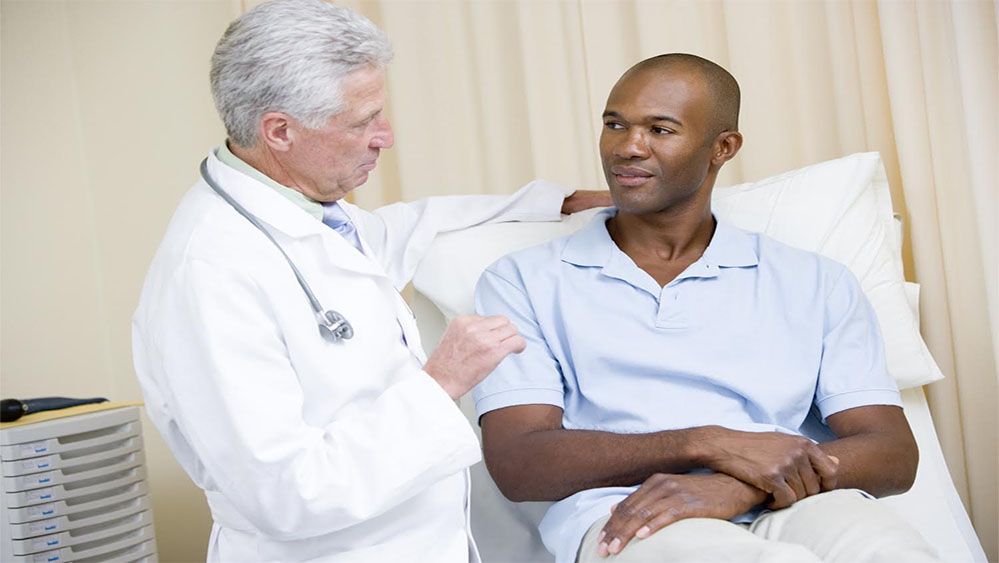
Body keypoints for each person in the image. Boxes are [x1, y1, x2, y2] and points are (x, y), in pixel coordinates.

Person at [131, 1, 607, 561]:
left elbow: (407, 227)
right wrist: (441, 381)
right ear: (280, 130)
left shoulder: (311, 214)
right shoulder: (209, 275)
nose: (386, 137)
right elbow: (283, 494)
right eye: (362, 122)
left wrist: (558, 202)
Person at [472, 54, 940, 563]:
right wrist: (706, 443)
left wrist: (739, 485)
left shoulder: (815, 281)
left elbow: (893, 453)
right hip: (632, 511)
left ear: (723, 147)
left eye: (661, 129)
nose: (628, 147)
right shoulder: (523, 280)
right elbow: (517, 462)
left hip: (795, 502)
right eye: (615, 124)